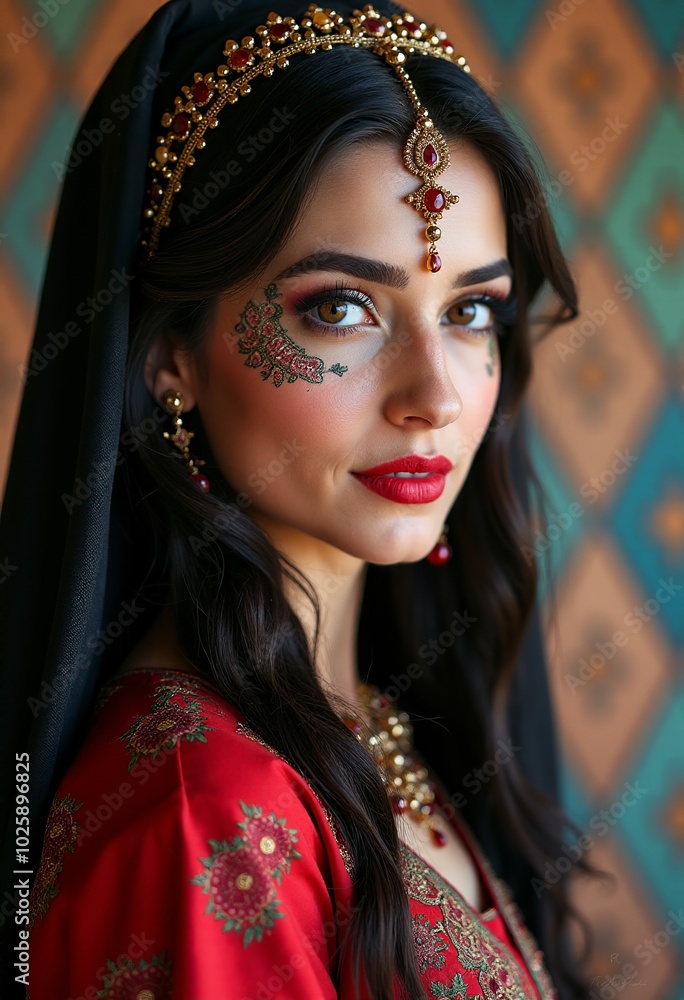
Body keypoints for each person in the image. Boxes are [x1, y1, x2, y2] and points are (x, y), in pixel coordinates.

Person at [0, 0, 603, 996]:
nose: (436, 397)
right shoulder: (204, 812)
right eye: (342, 308)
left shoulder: (374, 718)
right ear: (170, 356)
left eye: (470, 311)